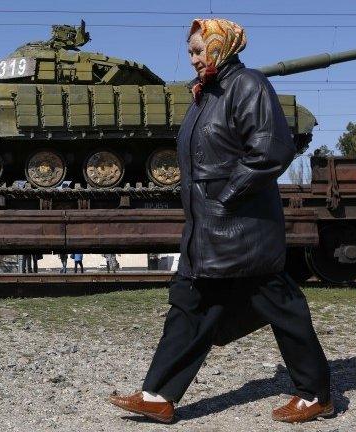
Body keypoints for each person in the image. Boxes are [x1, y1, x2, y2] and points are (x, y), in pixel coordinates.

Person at [109, 18, 332, 424]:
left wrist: (226, 197)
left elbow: (270, 149)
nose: (194, 59)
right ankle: (157, 394)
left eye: (200, 50)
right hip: (208, 228)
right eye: (191, 52)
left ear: (220, 46)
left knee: (281, 305)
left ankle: (316, 394)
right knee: (189, 303)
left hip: (242, 227)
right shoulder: (207, 95)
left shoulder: (247, 85)